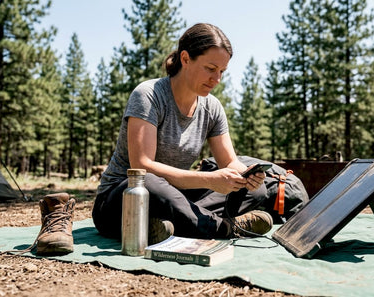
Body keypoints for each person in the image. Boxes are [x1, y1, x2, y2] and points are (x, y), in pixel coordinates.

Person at [92, 23, 273, 244]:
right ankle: (225, 227)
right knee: (149, 182)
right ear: (185, 59)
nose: (217, 79)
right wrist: (208, 179)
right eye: (210, 68)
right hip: (123, 200)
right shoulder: (149, 95)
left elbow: (229, 162)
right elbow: (141, 165)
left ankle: (166, 226)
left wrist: (247, 175)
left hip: (174, 196)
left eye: (222, 72)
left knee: (256, 191)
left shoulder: (212, 107)